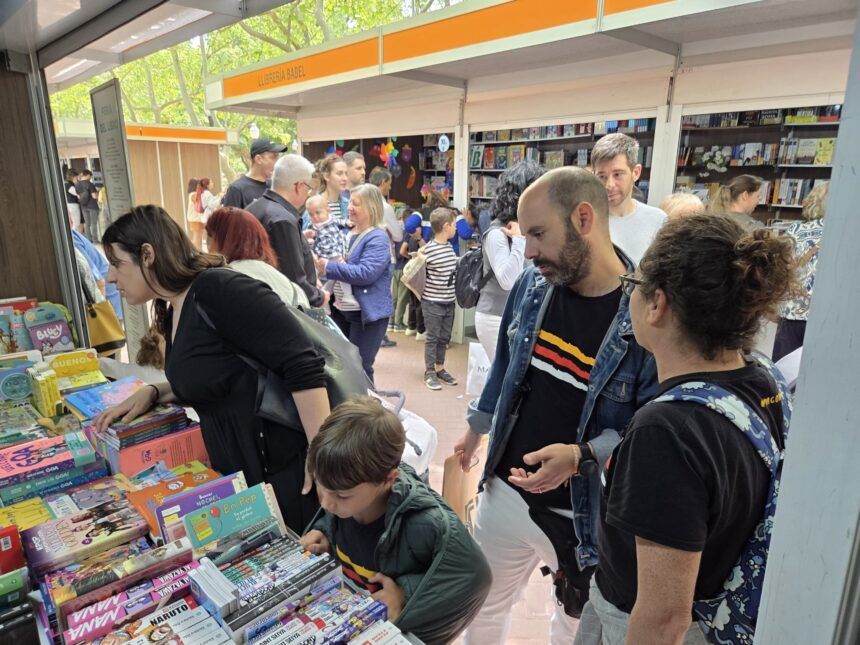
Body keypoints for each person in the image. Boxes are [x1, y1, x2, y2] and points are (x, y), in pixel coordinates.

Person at [455, 167, 658, 645]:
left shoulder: (646, 315)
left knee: (573, 627)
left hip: (582, 517)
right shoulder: (532, 285)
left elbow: (646, 428)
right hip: (505, 489)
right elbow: (506, 366)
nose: (527, 251)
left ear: (583, 218)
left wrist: (581, 455)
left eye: (538, 234)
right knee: (481, 608)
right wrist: (476, 429)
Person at [576, 214, 795, 644]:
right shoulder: (763, 377)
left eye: (634, 286)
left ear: (657, 304)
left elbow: (664, 619)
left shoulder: (666, 432)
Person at [93, 205, 330, 533]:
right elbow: (217, 375)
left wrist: (323, 455)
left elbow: (303, 363)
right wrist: (156, 391)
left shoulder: (218, 290)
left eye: (116, 263)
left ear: (147, 255)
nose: (110, 277)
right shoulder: (174, 305)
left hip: (284, 472)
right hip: (244, 475)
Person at [300, 396, 492, 644]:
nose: (326, 503)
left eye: (341, 495)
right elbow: (332, 511)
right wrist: (324, 532)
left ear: (389, 479)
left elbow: (476, 577)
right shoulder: (347, 489)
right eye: (321, 485)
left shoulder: (427, 523)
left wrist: (405, 594)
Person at [315, 184, 393, 384]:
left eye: (356, 203)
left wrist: (328, 266)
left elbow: (366, 274)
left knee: (360, 368)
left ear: (371, 208)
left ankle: (367, 403)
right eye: (350, 202)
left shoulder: (378, 238)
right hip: (342, 311)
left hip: (365, 316)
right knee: (345, 366)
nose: (349, 207)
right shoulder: (346, 231)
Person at [475, 161, 543, 361]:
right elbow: (508, 280)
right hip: (495, 318)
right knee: (504, 374)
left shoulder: (525, 227)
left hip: (517, 315)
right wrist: (520, 240)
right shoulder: (497, 232)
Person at [246, 155, 327, 308]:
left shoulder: (254, 207)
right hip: (281, 305)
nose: (307, 194)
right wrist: (319, 297)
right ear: (299, 186)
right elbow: (293, 279)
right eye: (308, 189)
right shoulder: (282, 220)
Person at [205, 206, 310, 309]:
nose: (207, 247)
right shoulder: (291, 287)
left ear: (221, 240)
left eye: (210, 237)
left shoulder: (221, 281)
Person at [773, 180, 829, 361]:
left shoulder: (796, 230)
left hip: (792, 311)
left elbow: (779, 265)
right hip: (827, 316)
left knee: (784, 367)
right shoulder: (847, 233)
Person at [591, 132, 667, 264]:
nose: (609, 185)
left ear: (636, 173)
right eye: (602, 176)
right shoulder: (586, 221)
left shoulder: (658, 220)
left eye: (617, 174)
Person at [420, 208, 460, 391]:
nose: (456, 228)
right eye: (454, 225)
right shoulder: (428, 250)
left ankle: (439, 368)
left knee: (444, 337)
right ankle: (429, 372)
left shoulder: (449, 247)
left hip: (449, 301)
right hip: (432, 302)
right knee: (432, 338)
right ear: (446, 226)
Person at [368, 166, 400, 347]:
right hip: (385, 255)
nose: (390, 187)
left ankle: (373, 334)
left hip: (367, 255)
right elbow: (398, 236)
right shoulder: (385, 207)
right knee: (383, 296)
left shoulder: (363, 203)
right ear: (382, 183)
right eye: (389, 184)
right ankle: (379, 335)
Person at [221, 137, 287, 209]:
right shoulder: (236, 189)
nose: (277, 162)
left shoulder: (273, 186)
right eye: (273, 157)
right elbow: (229, 216)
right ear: (258, 159)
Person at [404, 190, 474, 254]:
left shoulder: (421, 212)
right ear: (443, 199)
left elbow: (409, 226)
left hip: (429, 255)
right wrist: (467, 221)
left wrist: (419, 238)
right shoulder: (454, 212)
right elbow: (466, 234)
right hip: (450, 256)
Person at [402, 217, 426, 340]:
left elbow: (402, 251)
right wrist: (420, 238)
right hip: (419, 271)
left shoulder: (409, 236)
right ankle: (421, 331)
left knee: (412, 301)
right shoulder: (418, 238)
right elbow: (426, 252)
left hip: (410, 270)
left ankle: (411, 327)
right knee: (420, 301)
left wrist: (410, 258)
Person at [390, 205, 412, 333]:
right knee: (402, 298)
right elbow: (403, 251)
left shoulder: (396, 232)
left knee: (395, 297)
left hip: (396, 266)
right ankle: (398, 323)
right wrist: (411, 257)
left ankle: (391, 322)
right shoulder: (408, 233)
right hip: (404, 267)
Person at [306, 194, 346, 260]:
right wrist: (309, 240)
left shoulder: (333, 219)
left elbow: (341, 222)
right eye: (311, 214)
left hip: (336, 252)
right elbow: (309, 240)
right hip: (322, 255)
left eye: (318, 212)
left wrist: (347, 222)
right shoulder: (311, 227)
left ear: (328, 210)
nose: (315, 217)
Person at [317, 155, 351, 224]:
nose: (345, 178)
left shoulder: (348, 203)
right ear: (326, 176)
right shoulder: (314, 204)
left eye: (346, 174)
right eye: (339, 174)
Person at [189, 177, 219, 249]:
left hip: (196, 218)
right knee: (197, 237)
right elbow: (201, 203)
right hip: (196, 218)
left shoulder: (195, 194)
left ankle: (199, 251)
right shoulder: (194, 194)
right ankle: (198, 251)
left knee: (199, 237)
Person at [76, 169, 99, 242]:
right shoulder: (90, 184)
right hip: (92, 206)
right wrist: (97, 195)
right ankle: (95, 240)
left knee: (87, 223)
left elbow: (78, 196)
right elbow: (94, 196)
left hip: (83, 206)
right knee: (93, 223)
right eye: (90, 175)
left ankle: (89, 240)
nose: (91, 177)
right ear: (88, 175)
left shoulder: (77, 184)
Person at [64, 169, 82, 233]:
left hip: (70, 204)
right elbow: (76, 193)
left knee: (75, 222)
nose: (77, 179)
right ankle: (74, 236)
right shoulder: (69, 185)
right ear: (73, 177)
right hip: (73, 205)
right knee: (76, 223)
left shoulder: (66, 184)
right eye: (76, 177)